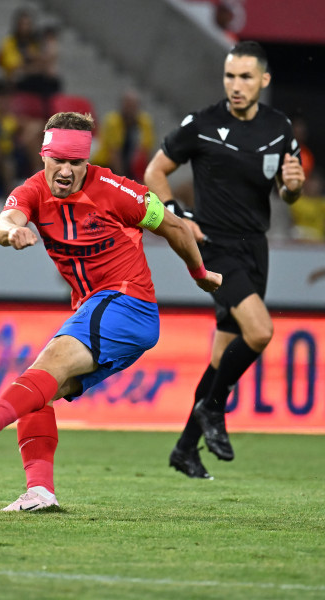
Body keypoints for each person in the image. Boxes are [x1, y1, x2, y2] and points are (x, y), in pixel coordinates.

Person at [0, 111, 221, 511]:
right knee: (37, 392)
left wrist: (199, 274)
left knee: (48, 364)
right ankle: (40, 492)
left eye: (75, 162)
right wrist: (12, 232)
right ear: (44, 155)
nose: (65, 170)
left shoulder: (119, 191)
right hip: (98, 311)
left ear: (86, 161)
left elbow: (177, 228)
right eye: (58, 160)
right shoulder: (31, 191)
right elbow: (3, 221)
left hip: (127, 302)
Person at [143, 41, 304, 479]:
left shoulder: (279, 127)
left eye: (246, 77)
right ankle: (214, 407)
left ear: (264, 80)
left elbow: (286, 191)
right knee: (260, 331)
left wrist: (293, 187)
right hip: (215, 246)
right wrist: (177, 215)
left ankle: (183, 450)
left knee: (220, 356)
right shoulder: (201, 124)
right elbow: (155, 172)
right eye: (230, 76)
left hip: (256, 247)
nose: (236, 85)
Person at [92, 89, 155, 182]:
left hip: (131, 167)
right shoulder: (113, 121)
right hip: (105, 165)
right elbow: (114, 154)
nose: (130, 109)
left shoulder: (145, 122)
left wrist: (147, 177)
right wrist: (124, 182)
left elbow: (147, 152)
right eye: (127, 105)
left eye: (133, 105)